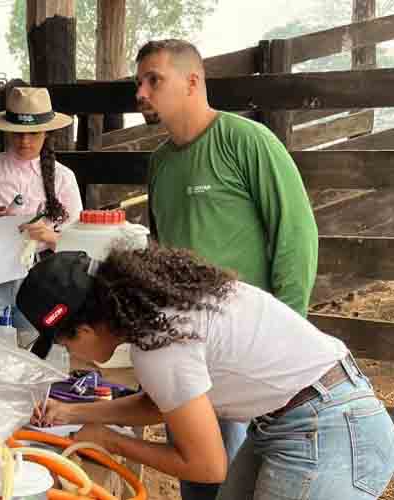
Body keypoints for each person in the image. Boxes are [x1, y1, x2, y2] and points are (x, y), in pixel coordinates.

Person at [18, 248, 394, 500]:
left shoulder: (158, 343)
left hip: (328, 430)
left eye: (65, 345)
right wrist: (72, 413)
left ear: (83, 331)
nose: (70, 353)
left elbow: (206, 466)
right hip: (311, 414)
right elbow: (166, 404)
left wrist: (111, 441)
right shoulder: (159, 305)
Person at [137, 39, 319, 499]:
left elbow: (296, 237)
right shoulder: (159, 163)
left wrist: (286, 332)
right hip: (185, 347)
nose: (141, 92)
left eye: (153, 79)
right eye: (139, 82)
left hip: (246, 347)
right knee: (197, 474)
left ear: (193, 81)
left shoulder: (247, 140)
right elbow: (160, 251)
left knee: (236, 476)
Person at [0, 86, 82, 331]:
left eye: (33, 133)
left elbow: (79, 241)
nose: (25, 140)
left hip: (43, 279)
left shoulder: (64, 178)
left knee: (39, 350)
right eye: (18, 133)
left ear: (47, 132)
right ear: (7, 131)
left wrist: (50, 237)